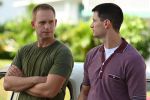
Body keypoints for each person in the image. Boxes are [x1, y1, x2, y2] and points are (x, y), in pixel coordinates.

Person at [3, 3, 74, 100]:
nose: (47, 27)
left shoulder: (62, 53)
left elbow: (49, 91)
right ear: (33, 24)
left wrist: (21, 82)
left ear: (55, 23)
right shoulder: (23, 51)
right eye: (42, 22)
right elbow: (7, 84)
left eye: (51, 22)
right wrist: (37, 80)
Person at [78, 3, 146, 100]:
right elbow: (84, 93)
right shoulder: (91, 55)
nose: (91, 25)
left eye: (94, 21)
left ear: (106, 23)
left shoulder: (133, 60)